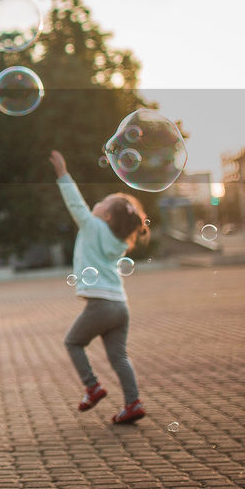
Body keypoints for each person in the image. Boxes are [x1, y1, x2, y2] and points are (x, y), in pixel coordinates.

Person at [49, 149, 150, 424]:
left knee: (73, 342)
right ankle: (133, 403)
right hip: (120, 305)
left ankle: (92, 387)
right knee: (119, 357)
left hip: (101, 305)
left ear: (105, 217)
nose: (97, 203)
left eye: (103, 202)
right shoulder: (119, 241)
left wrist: (62, 173)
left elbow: (75, 204)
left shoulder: (92, 227)